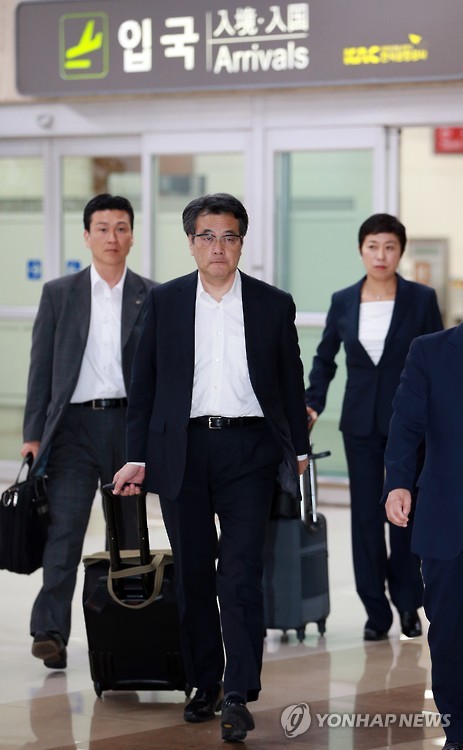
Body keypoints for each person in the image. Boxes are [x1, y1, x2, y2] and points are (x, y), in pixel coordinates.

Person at [112, 192, 309, 742]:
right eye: (207, 236)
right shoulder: (166, 301)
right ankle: (205, 681)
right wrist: (136, 456)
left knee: (240, 574)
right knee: (195, 572)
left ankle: (239, 691)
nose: (218, 247)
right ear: (191, 243)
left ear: (241, 242)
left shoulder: (273, 304)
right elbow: (144, 385)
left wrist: (297, 451)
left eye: (228, 236)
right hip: (183, 451)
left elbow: (289, 381)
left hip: (249, 452)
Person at [21, 193, 157, 670]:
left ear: (132, 236)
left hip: (129, 427)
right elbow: (41, 367)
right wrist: (33, 433)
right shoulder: (60, 294)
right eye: (102, 228)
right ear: (86, 236)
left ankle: (131, 631)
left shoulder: (151, 295)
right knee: (64, 529)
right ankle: (50, 631)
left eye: (121, 228)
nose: (111, 237)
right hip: (73, 430)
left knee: (129, 534)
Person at [305, 213, 443, 641]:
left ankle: (408, 603)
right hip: (360, 422)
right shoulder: (344, 300)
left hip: (411, 423)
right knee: (365, 515)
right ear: (361, 250)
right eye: (372, 246)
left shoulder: (421, 299)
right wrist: (312, 403)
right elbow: (325, 358)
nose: (381, 255)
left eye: (389, 247)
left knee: (404, 512)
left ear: (400, 252)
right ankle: (375, 609)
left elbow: (439, 359)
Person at [384, 327, 463, 750]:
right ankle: (458, 732)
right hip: (448, 515)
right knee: (449, 631)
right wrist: (398, 482)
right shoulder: (430, 352)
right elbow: (405, 424)